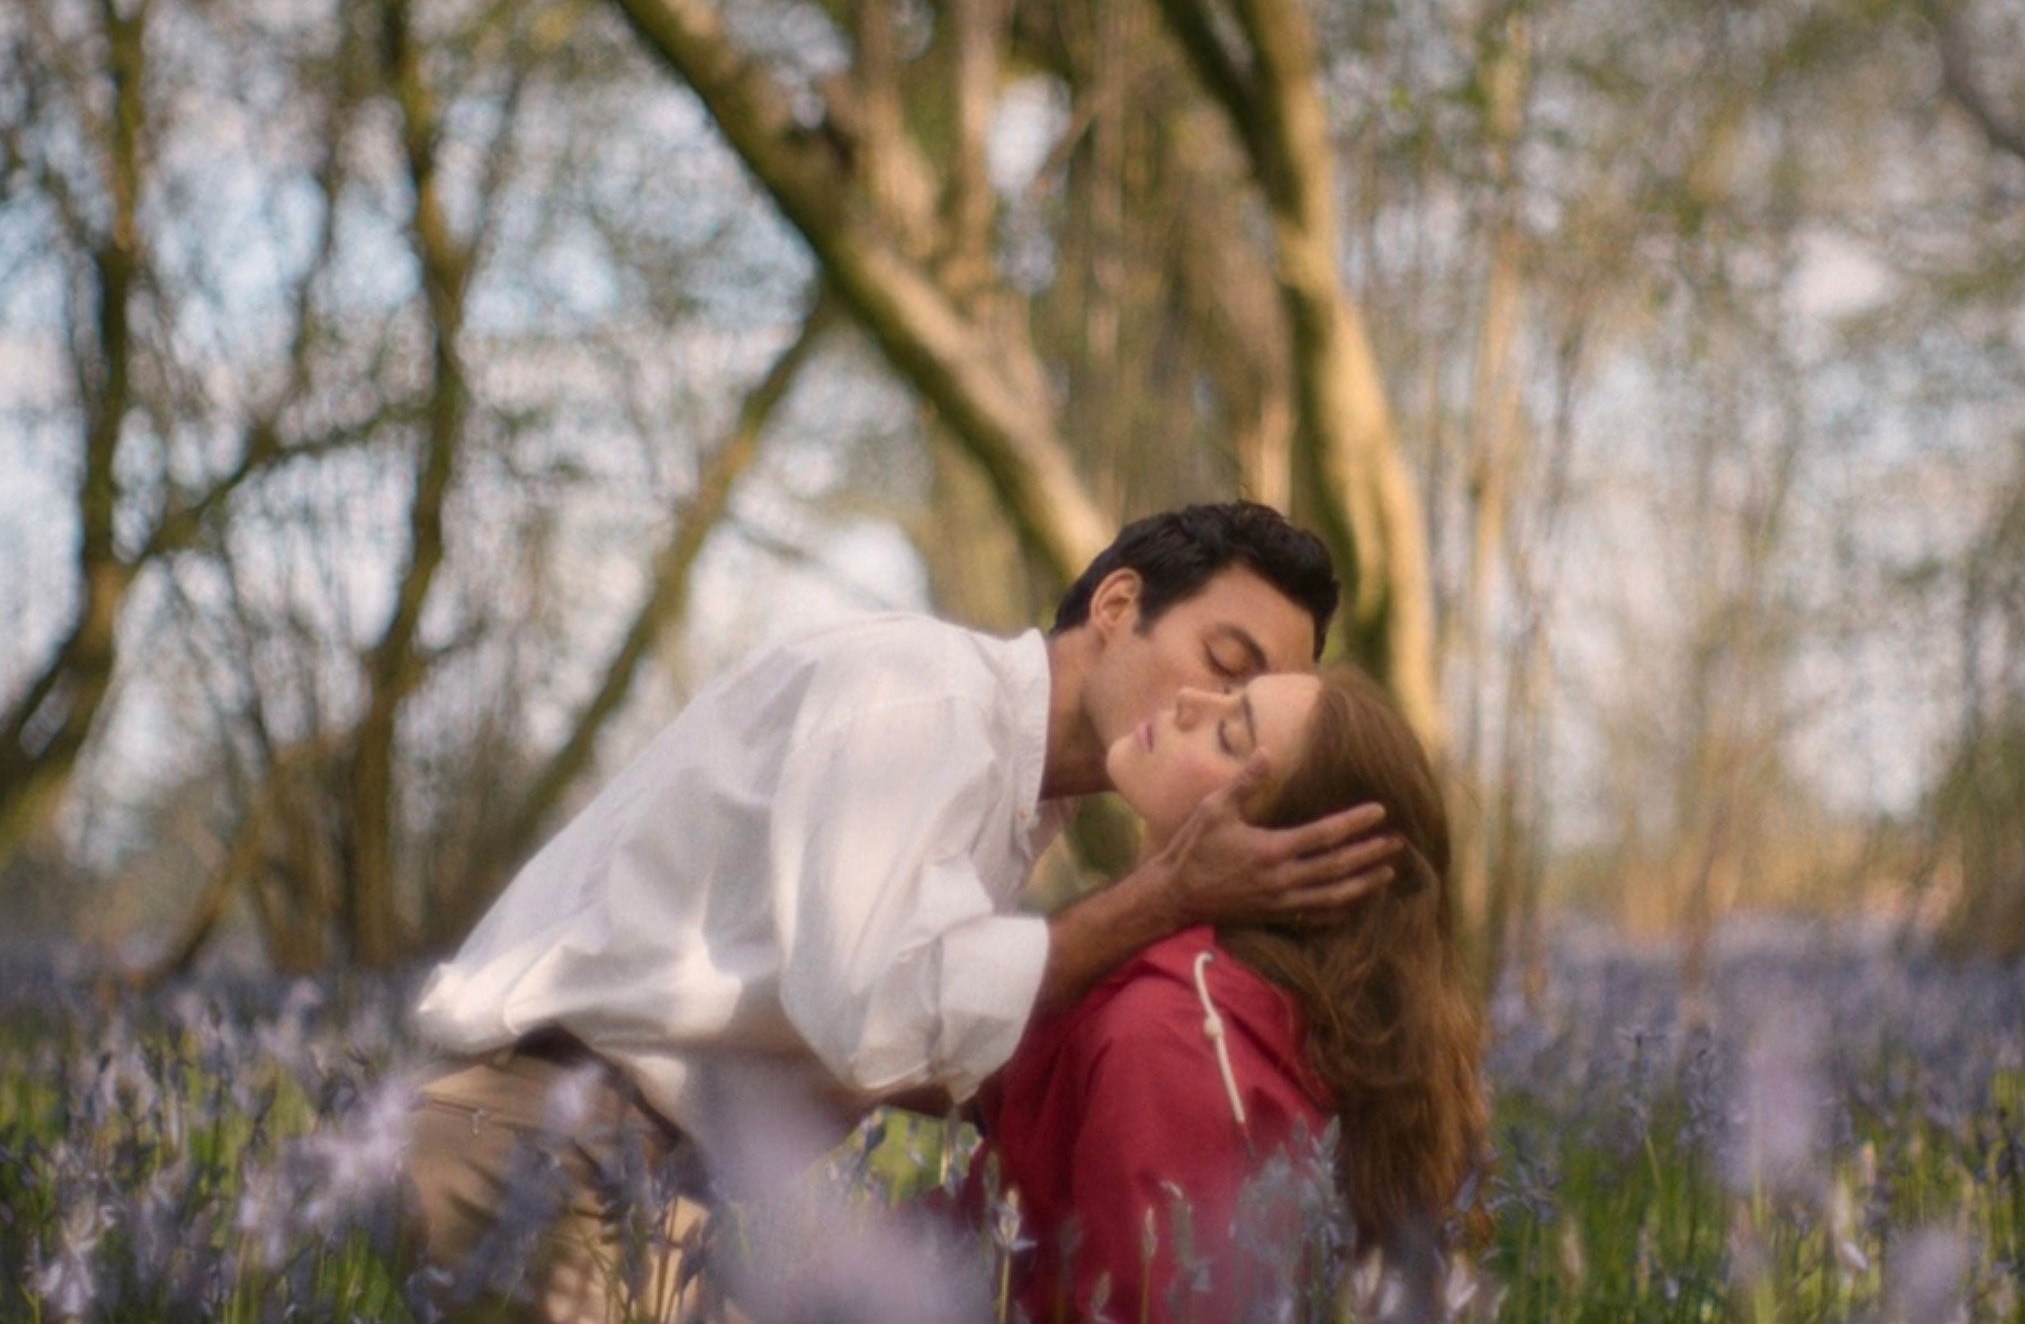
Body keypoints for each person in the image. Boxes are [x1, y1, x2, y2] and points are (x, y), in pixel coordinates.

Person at [397, 503, 1400, 1319]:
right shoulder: (918, 702)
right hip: (536, 1141)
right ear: (1118, 601)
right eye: (1226, 665)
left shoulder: (1016, 798)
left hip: (648, 1175)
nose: (1219, 716)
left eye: (1257, 711)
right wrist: (1166, 896)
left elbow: (891, 1030)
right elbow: (873, 1021)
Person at [974, 666, 1490, 1324]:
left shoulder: (1169, 1038)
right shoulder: (1237, 1008)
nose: (1187, 697)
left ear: (1282, 852)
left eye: (1228, 733)